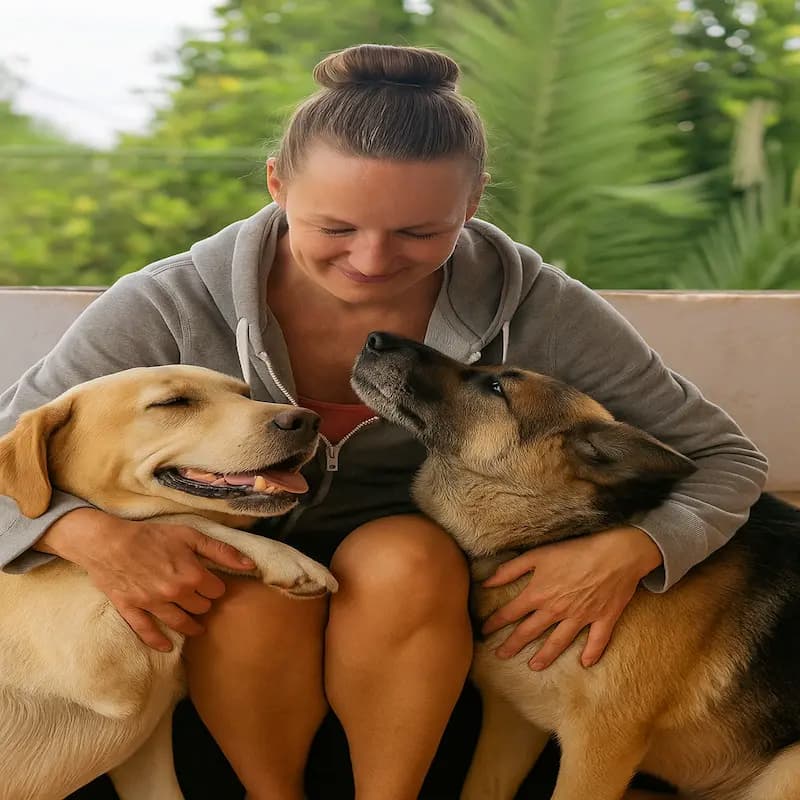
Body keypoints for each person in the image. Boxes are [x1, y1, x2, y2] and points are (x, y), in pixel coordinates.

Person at [0, 44, 767, 800]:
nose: (370, 261)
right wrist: (87, 534)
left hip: (420, 607)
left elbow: (724, 457)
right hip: (230, 595)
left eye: (418, 234)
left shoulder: (538, 304)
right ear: (276, 185)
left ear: (470, 205)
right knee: (239, 586)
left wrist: (634, 549)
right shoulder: (167, 303)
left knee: (405, 557)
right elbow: (10, 453)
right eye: (334, 228)